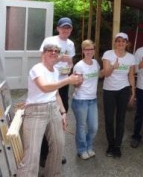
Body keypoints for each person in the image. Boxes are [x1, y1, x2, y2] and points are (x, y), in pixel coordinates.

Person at [17, 43, 82, 177]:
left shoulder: (56, 71)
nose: (53, 53)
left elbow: (56, 93)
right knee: (33, 152)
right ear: (43, 54)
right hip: (36, 111)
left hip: (53, 109)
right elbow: (45, 87)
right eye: (49, 50)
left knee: (59, 146)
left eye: (56, 51)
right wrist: (68, 80)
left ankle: (52, 174)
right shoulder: (37, 68)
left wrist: (63, 112)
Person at [39, 17, 75, 165]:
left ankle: (57, 153)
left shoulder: (71, 44)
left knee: (61, 117)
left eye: (68, 28)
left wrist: (69, 67)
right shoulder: (50, 40)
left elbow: (70, 62)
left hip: (64, 83)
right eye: (63, 27)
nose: (65, 30)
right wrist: (60, 58)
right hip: (50, 82)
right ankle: (43, 155)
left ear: (71, 30)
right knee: (46, 118)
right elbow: (42, 58)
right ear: (58, 28)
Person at [102, 32, 136, 158]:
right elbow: (106, 74)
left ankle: (117, 146)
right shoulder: (108, 54)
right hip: (109, 90)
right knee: (109, 119)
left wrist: (133, 92)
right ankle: (110, 145)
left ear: (127, 43)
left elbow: (131, 75)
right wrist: (112, 67)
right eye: (118, 41)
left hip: (124, 90)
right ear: (115, 42)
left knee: (121, 119)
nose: (120, 43)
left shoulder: (131, 57)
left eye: (123, 41)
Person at [71, 40, 103, 160]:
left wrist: (111, 69)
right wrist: (78, 82)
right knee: (82, 126)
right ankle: (82, 149)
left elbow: (99, 75)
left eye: (91, 49)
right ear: (83, 51)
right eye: (86, 49)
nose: (89, 51)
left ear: (94, 50)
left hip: (92, 100)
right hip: (80, 100)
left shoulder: (95, 63)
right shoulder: (79, 65)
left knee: (94, 127)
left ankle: (89, 146)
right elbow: (75, 85)